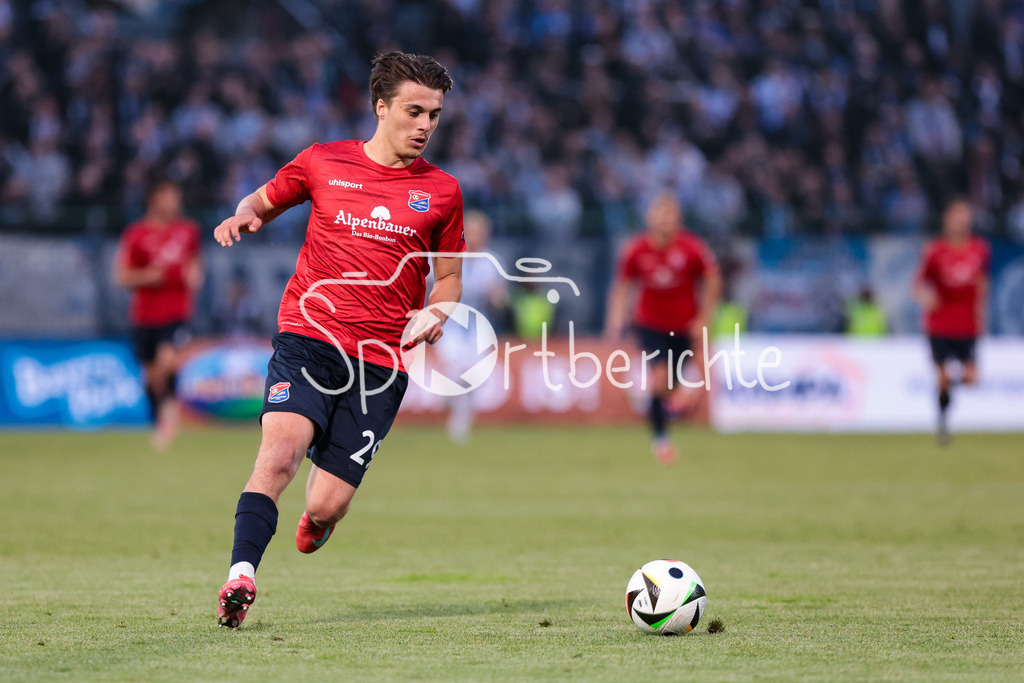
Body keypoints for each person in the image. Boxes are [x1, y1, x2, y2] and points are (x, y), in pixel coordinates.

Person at [210, 52, 464, 628]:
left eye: (435, 114)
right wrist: (242, 215)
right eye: (413, 111)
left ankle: (318, 521)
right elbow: (262, 200)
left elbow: (448, 278)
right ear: (381, 108)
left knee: (327, 503)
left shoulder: (443, 192)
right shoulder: (324, 162)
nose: (425, 125)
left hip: (380, 362)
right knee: (278, 457)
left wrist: (436, 312)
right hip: (310, 336)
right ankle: (240, 577)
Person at [605, 193, 720, 464]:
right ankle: (661, 441)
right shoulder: (636, 250)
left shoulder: (692, 248)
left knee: (670, 385)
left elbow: (712, 280)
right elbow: (622, 286)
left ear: (678, 219)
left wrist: (704, 317)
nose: (665, 221)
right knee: (659, 376)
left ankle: (664, 402)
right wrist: (616, 316)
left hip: (683, 327)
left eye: (670, 216)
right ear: (649, 218)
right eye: (660, 215)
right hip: (649, 324)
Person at [114, 179, 202, 451]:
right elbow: (123, 276)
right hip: (144, 315)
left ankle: (170, 412)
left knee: (168, 361)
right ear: (154, 200)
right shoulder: (136, 234)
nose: (174, 203)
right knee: (151, 376)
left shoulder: (188, 231)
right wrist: (149, 276)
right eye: (169, 197)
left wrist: (195, 277)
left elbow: (195, 265)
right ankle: (160, 421)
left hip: (176, 312)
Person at [913, 198, 990, 445]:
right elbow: (918, 284)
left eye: (965, 215)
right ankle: (943, 423)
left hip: (967, 323)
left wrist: (981, 310)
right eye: (957, 215)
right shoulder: (935, 251)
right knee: (943, 374)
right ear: (947, 219)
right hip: (940, 323)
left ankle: (944, 390)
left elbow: (982, 281)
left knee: (971, 379)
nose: (962, 220)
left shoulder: (980, 249)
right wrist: (927, 299)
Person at [434, 209, 507, 443]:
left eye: (481, 232)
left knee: (475, 375)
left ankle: (461, 418)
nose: (477, 236)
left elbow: (500, 298)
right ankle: (453, 405)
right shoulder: (448, 256)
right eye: (472, 231)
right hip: (450, 323)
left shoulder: (492, 262)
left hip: (477, 326)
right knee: (455, 367)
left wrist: (499, 297)